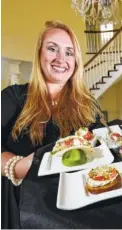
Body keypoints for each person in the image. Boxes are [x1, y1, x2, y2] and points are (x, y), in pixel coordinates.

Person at [1, 20, 103, 185]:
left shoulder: (89, 104)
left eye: (69, 53)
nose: (61, 59)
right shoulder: (13, 96)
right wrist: (17, 166)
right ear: (39, 53)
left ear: (76, 61)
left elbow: (100, 148)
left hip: (76, 197)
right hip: (20, 201)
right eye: (52, 49)